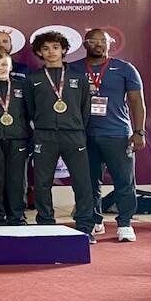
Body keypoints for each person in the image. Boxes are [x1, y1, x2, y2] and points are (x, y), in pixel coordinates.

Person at [73, 29, 145, 242]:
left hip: (117, 134)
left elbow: (136, 102)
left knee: (124, 181)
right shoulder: (74, 68)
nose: (98, 44)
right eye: (93, 41)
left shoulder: (124, 68)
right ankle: (95, 221)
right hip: (85, 135)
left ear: (109, 43)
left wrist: (139, 131)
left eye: (102, 41)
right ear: (85, 44)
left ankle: (125, 223)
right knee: (89, 182)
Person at [24, 31, 95, 242]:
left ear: (64, 49)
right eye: (45, 48)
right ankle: (46, 224)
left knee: (82, 183)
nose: (51, 52)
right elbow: (30, 109)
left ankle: (84, 228)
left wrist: (75, 127)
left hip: (74, 136)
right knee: (43, 183)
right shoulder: (33, 79)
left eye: (55, 47)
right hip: (44, 137)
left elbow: (85, 110)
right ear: (39, 52)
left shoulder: (78, 77)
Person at [0, 51, 30, 226]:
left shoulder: (22, 86)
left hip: (18, 139)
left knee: (17, 182)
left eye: (3, 65)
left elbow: (31, 113)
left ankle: (17, 218)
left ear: (11, 67)